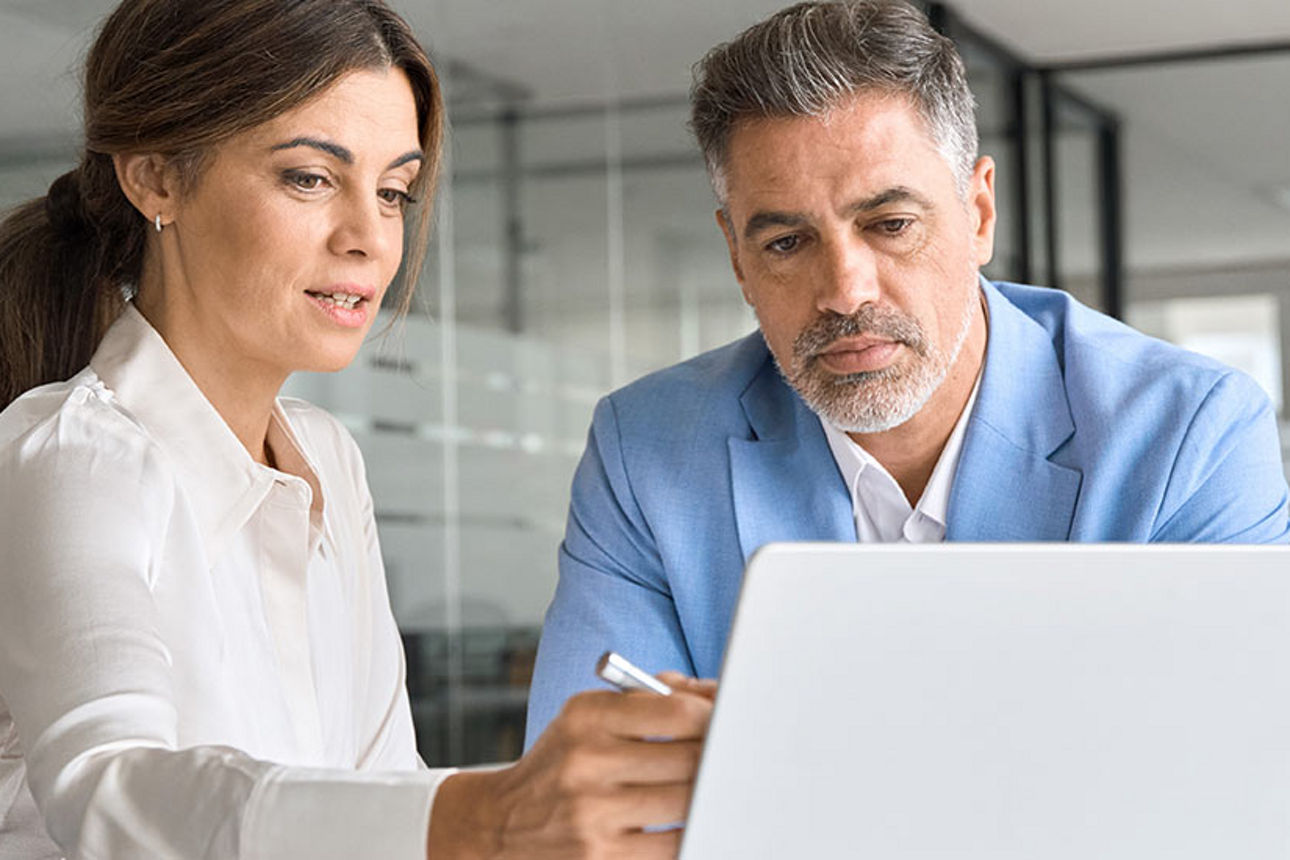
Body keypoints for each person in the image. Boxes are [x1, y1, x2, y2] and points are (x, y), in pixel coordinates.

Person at [0, 1, 713, 858]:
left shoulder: (330, 462)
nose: (371, 240)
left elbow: (387, 786)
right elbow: (108, 786)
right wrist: (485, 814)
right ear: (155, 178)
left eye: (393, 192)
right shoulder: (70, 453)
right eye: (309, 177)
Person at [524, 0, 1290, 746]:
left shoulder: (1191, 434)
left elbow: (1230, 778)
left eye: (890, 225)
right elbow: (590, 807)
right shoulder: (646, 451)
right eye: (787, 243)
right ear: (736, 257)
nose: (845, 290)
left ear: (979, 214)